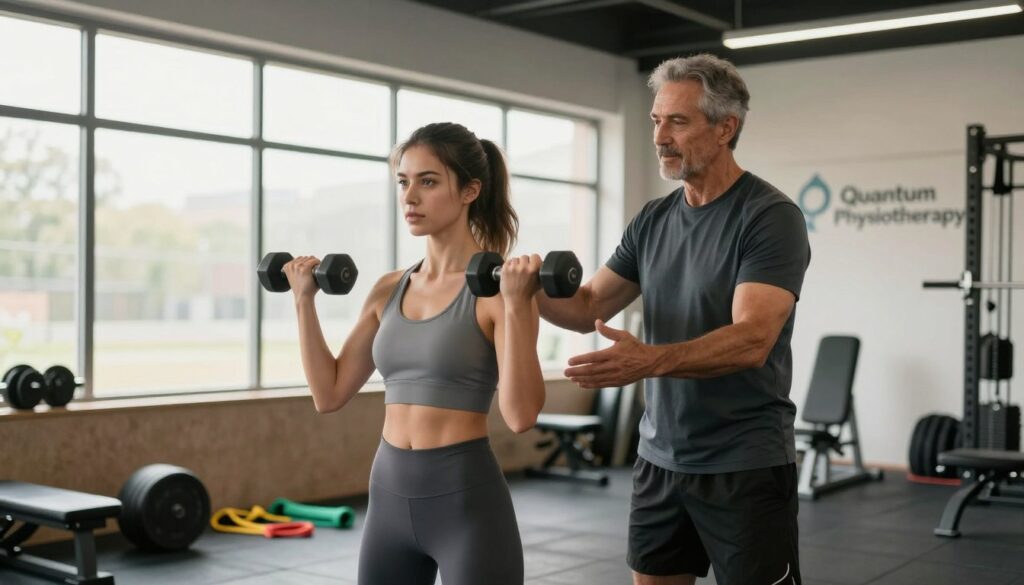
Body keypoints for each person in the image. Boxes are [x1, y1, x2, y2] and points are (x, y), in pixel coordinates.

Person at [537, 54, 811, 585]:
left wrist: (648, 362)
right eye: (656, 121)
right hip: (660, 457)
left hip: (744, 462)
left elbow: (753, 338)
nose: (660, 136)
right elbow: (589, 305)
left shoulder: (769, 217)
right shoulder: (653, 219)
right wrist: (521, 292)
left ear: (726, 128)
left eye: (678, 122)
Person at [283, 122, 545, 585]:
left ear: (469, 190)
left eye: (428, 181)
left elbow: (521, 414)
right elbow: (329, 394)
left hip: (466, 501)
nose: (410, 197)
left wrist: (520, 305)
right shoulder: (388, 289)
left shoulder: (496, 293)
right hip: (387, 495)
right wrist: (304, 301)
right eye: (403, 182)